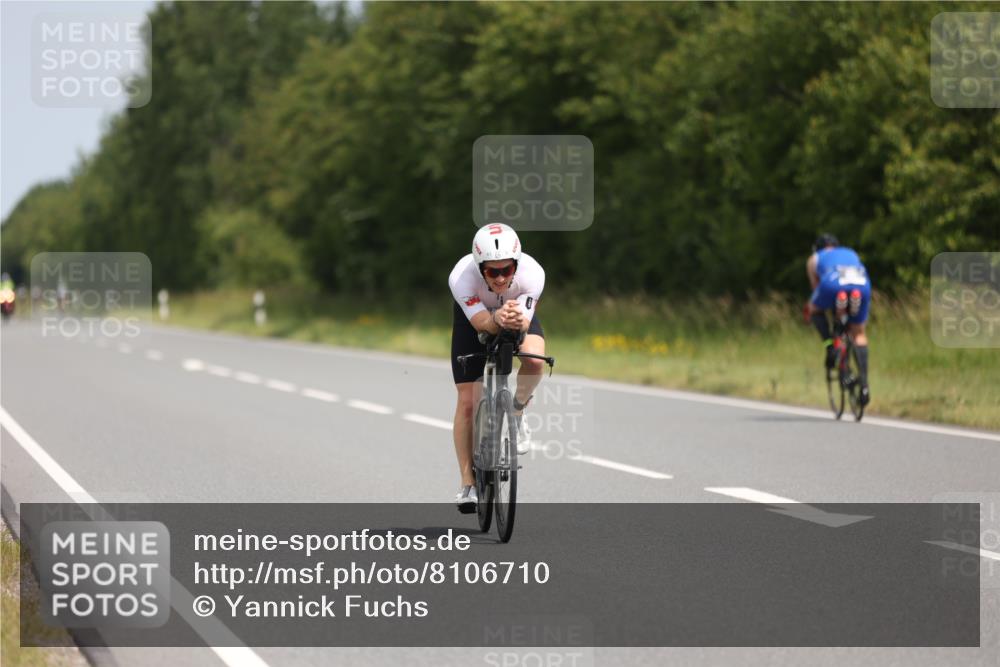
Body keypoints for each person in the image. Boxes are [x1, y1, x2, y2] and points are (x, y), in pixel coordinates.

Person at [448, 223, 546, 511]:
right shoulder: (462, 278)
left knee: (534, 361)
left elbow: (525, 324)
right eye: (493, 271)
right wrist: (496, 319)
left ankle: (516, 411)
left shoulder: (533, 273)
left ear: (516, 263)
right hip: (476, 318)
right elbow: (482, 324)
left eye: (507, 270)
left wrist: (515, 319)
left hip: (514, 312)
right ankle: (468, 485)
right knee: (468, 401)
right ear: (480, 268)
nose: (501, 278)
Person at [805, 233, 871, 406]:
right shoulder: (850, 252)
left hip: (833, 284)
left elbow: (816, 288)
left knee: (813, 309)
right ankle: (864, 384)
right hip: (861, 284)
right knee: (859, 334)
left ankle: (830, 345)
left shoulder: (814, 258)